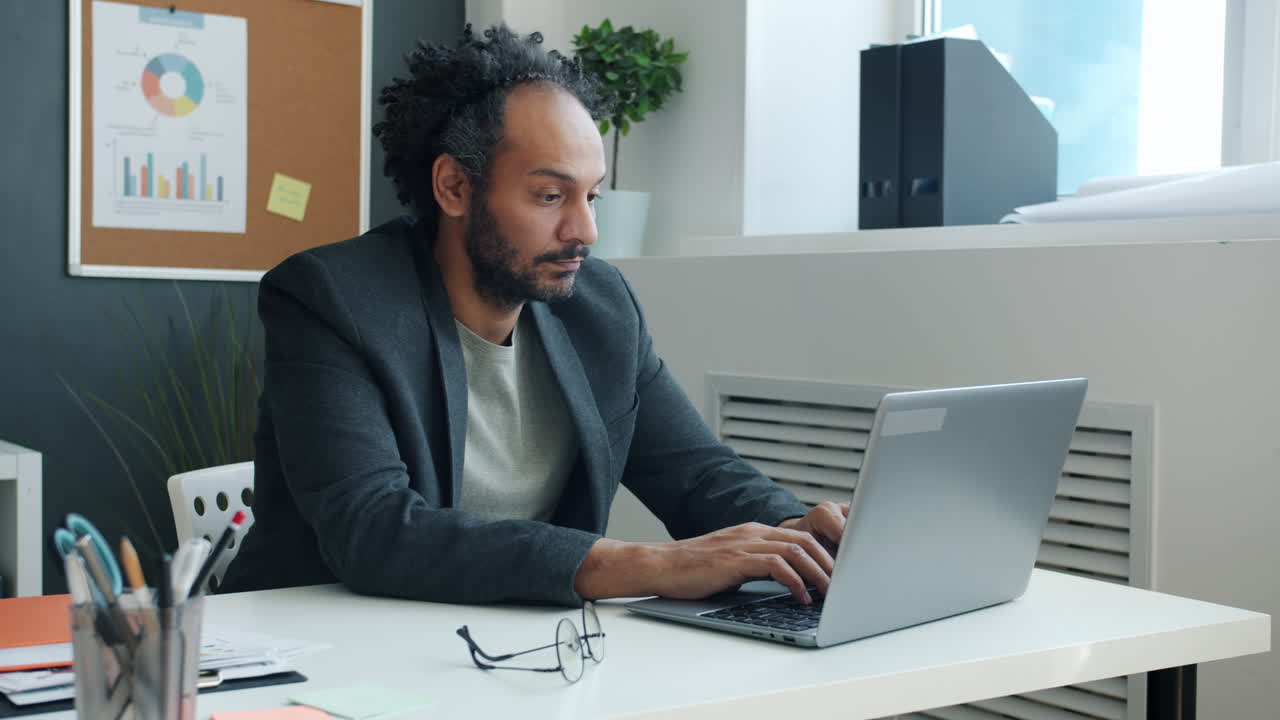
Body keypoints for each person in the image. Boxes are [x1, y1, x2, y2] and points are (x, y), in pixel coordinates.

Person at [221, 25, 848, 607]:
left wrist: (796, 531)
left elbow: (695, 471)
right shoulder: (333, 297)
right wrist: (650, 564)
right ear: (454, 187)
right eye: (550, 196)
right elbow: (374, 531)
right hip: (326, 645)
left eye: (591, 195)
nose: (586, 230)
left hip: (515, 648)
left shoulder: (602, 307)